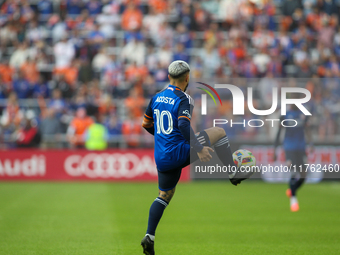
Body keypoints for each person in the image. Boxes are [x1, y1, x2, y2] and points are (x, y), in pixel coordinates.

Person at [140, 60, 252, 255]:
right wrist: (199, 148)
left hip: (161, 156)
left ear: (168, 77)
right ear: (187, 77)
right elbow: (184, 126)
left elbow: (146, 124)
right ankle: (233, 172)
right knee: (219, 132)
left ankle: (150, 236)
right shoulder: (184, 99)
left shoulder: (156, 97)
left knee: (164, 195)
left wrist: (163, 139)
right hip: (179, 150)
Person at [274, 104, 313, 212]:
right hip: (289, 147)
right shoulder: (284, 115)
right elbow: (279, 132)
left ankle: (292, 189)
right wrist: (275, 149)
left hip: (301, 147)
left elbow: (308, 130)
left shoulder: (303, 115)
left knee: (303, 175)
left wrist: (311, 143)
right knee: (292, 170)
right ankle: (294, 200)